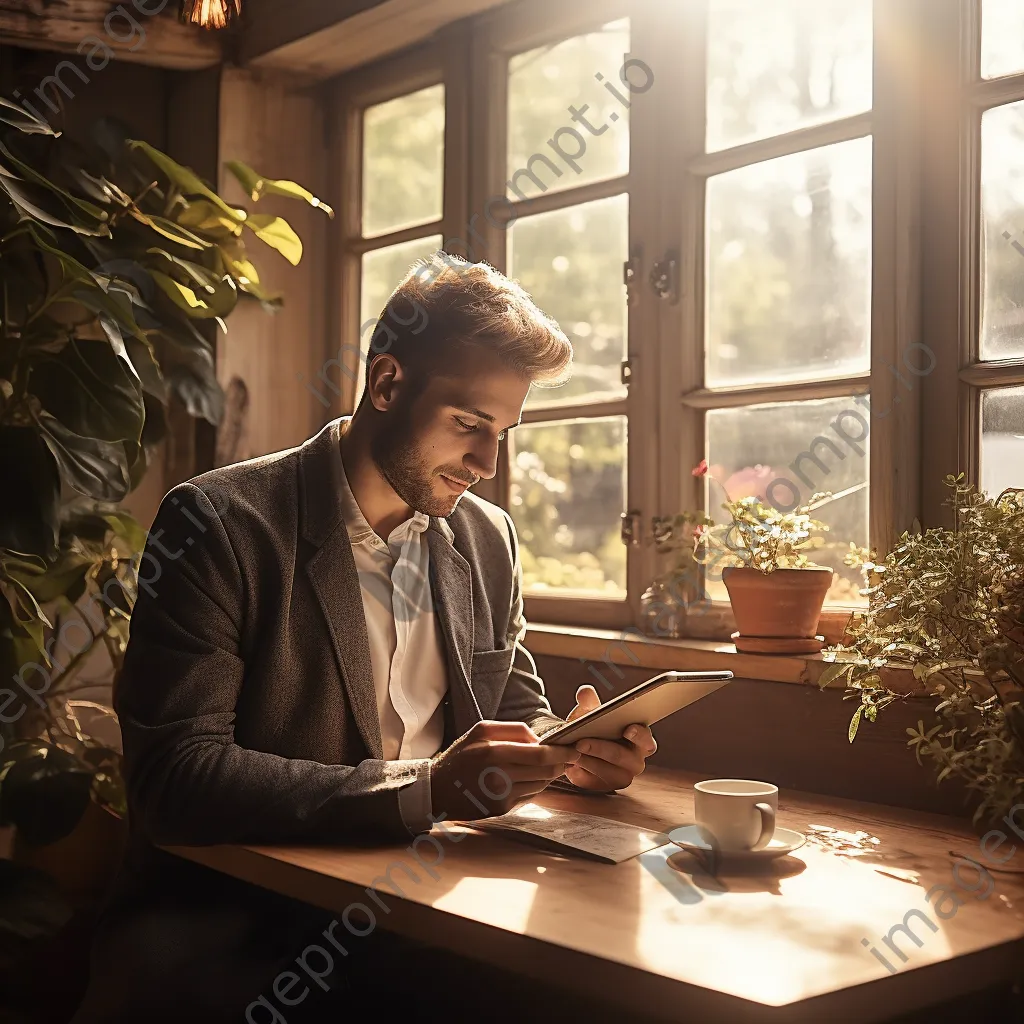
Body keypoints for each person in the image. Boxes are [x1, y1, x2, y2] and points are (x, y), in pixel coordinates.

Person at [72, 253, 656, 1022]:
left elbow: (516, 706)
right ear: (386, 384)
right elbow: (175, 780)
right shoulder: (218, 523)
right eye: (468, 426)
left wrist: (571, 754)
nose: (486, 464)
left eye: (503, 433)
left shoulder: (487, 539)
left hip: (432, 910)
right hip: (237, 925)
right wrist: (426, 789)